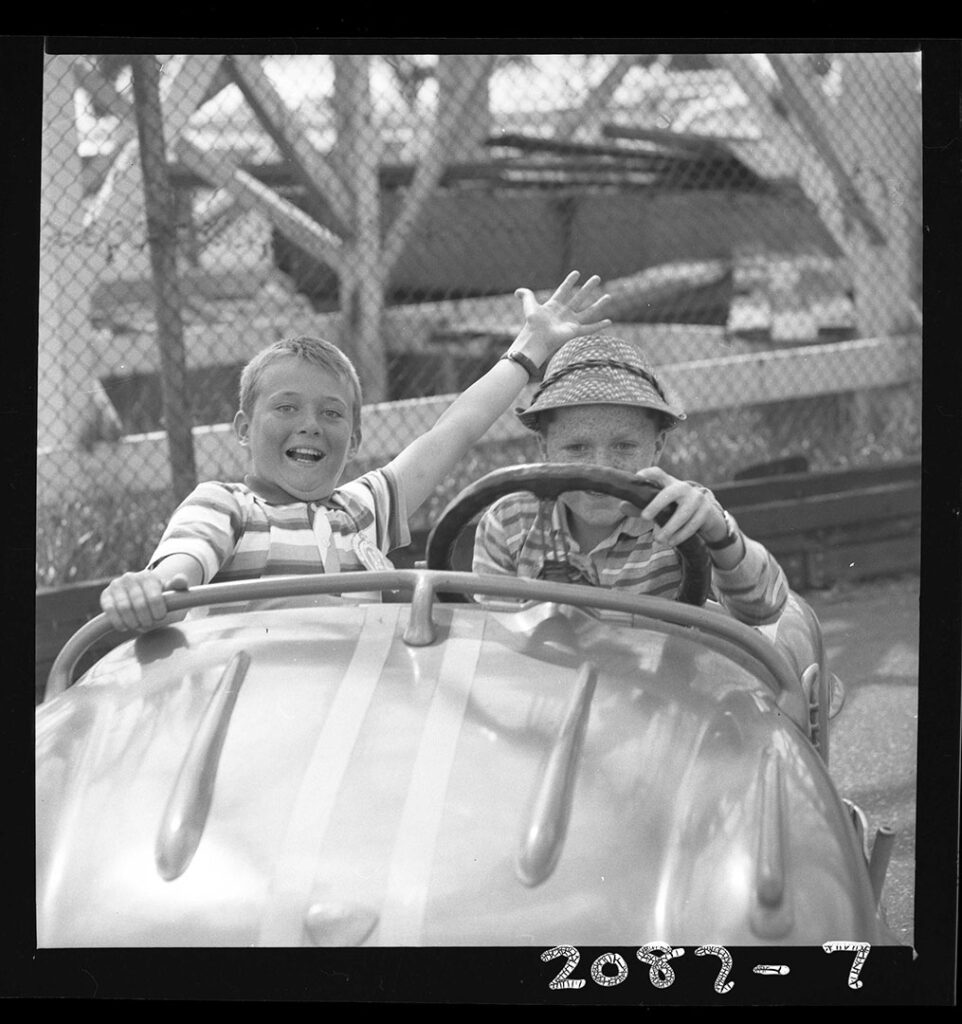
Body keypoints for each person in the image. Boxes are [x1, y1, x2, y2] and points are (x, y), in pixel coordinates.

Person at [100, 271, 613, 632]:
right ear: (242, 428)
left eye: (331, 413)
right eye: (286, 408)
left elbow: (454, 429)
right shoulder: (227, 506)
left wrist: (531, 348)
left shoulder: (363, 510)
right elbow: (183, 565)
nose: (310, 426)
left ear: (356, 438)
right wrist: (152, 589)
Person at [472, 333, 790, 628]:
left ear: (657, 447)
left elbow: (766, 608)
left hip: (658, 684)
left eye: (624, 446)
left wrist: (719, 533)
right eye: (576, 448)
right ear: (545, 448)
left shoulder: (681, 512)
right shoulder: (509, 522)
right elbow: (497, 644)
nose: (601, 468)